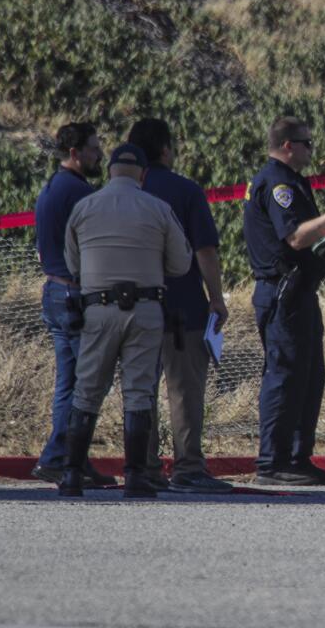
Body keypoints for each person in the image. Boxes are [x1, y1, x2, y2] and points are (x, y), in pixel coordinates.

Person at [60, 143, 193, 498]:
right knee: (138, 392)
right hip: (146, 309)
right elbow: (181, 264)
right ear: (143, 174)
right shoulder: (159, 208)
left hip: (98, 309)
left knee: (87, 390)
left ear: (109, 172)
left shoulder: (85, 207)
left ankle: (71, 474)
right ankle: (135, 476)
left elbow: (73, 265)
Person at [243, 117, 325, 486]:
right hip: (282, 293)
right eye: (307, 143)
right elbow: (293, 237)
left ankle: (296, 457)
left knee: (309, 378)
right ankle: (272, 462)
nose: (312, 150)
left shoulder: (291, 181)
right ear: (289, 145)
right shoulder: (278, 183)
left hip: (299, 291)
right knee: (285, 376)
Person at [127, 118, 233, 494]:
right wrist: (216, 298)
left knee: (142, 389)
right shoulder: (186, 191)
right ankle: (188, 465)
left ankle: (146, 465)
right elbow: (205, 249)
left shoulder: (122, 194)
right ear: (166, 149)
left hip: (134, 306)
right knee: (184, 389)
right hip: (183, 305)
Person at [31, 122, 116, 489]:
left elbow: (39, 247)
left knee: (69, 382)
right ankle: (62, 458)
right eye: (95, 148)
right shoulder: (80, 193)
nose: (100, 154)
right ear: (75, 153)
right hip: (74, 295)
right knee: (89, 383)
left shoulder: (52, 188)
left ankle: (66, 458)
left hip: (53, 291)